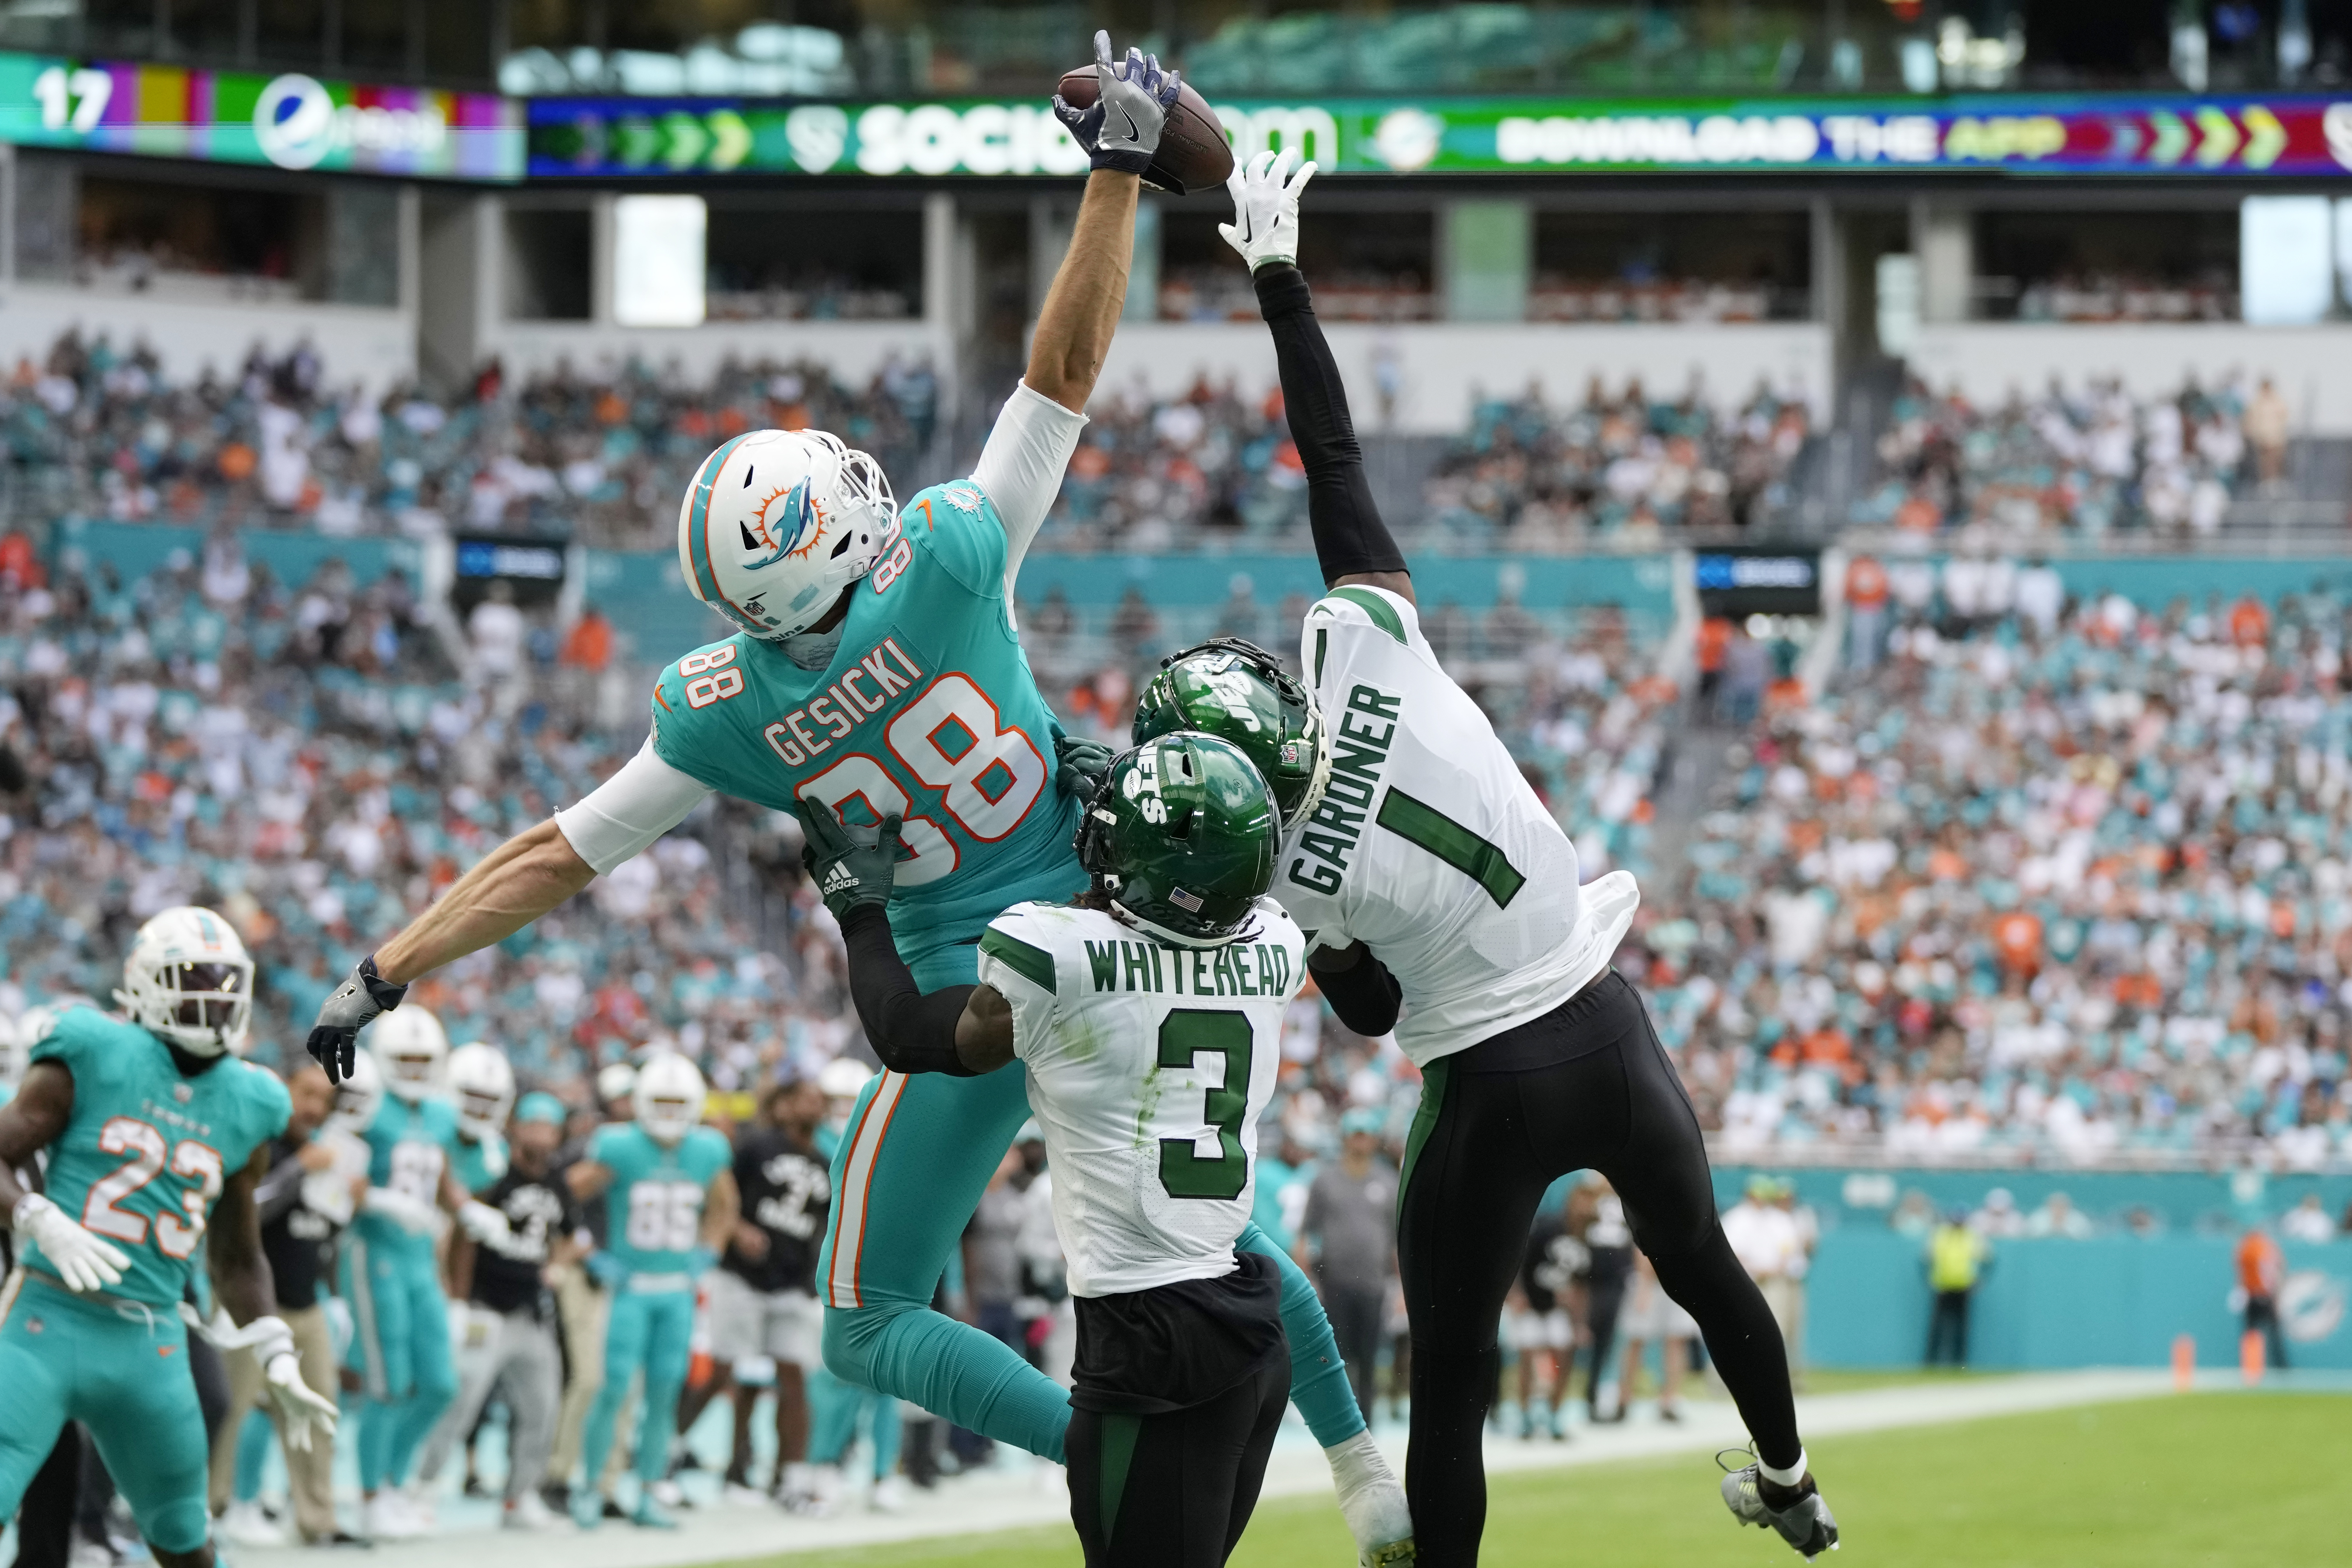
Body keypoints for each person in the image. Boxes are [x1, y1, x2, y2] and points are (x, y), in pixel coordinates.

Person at [299, 34, 1408, 1566]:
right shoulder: (947, 562)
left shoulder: (722, 712)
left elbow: (551, 857)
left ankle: (1102, 1442)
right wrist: (1116, 167)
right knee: (1202, 1235)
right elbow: (1063, 377)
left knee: (869, 1324)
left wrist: (383, 970)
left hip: (966, 1008)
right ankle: (1360, 1464)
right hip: (1109, 916)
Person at [1154, 148, 1834, 1565]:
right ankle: (1786, 1474)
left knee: (1451, 1385)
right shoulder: (1370, 649)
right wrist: (1279, 281)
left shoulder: (1278, 869)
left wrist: (1329, 915)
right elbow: (1331, 459)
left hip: (1483, 1077)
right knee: (1699, 1261)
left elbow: (1375, 1010)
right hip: (1603, 1017)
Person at [802, 730, 1306, 1568]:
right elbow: (1179, 914)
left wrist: (860, 909)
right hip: (1250, 1325)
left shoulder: (1051, 950)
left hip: (1150, 1337)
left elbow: (908, 1034)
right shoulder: (1276, 943)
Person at [0, 909, 340, 1568]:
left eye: (225, 982)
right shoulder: (92, 1050)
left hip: (148, 1340)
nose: (214, 998)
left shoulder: (252, 1100)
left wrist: (274, 1350)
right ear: (146, 983)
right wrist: (36, 1217)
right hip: (46, 1317)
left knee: (185, 1539)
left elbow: (238, 1253)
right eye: (193, 979)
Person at [340, 1009, 510, 1539]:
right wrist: (385, 1201)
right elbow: (341, 1169)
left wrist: (464, 1208)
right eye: (404, 1059)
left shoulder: (438, 1112)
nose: (414, 1069)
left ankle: (393, 1482)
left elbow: (440, 1173)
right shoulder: (370, 1104)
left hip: (419, 1259)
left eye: (423, 1060)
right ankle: (370, 1497)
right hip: (373, 1253)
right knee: (387, 1384)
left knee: (439, 1383)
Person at [564, 1052, 737, 1528]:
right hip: (631, 1288)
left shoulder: (707, 1149)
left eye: (676, 1101)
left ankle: (646, 1491)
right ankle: (591, 1486)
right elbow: (561, 1196)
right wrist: (589, 1251)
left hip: (677, 1289)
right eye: (658, 1100)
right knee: (613, 1387)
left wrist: (710, 1251)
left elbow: (725, 1207)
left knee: (664, 1393)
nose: (666, 1110)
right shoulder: (619, 1145)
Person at [213, 1061, 366, 1548]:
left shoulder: (325, 1153)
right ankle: (203, 1515)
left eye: (324, 1099)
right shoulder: (262, 1144)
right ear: (285, 1090)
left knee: (319, 1411)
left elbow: (322, 1233)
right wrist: (300, 1169)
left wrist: (335, 1294)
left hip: (305, 1304)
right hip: (251, 1307)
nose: (314, 1107)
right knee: (228, 1412)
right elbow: (248, 1209)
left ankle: (316, 1518)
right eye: (306, 1093)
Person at [414, 1091, 582, 1529]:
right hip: (486, 1306)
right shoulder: (494, 1173)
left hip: (530, 1309)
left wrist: (557, 1267)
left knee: (543, 1405)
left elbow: (572, 1236)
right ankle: (420, 1488)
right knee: (460, 1402)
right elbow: (464, 1236)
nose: (543, 1136)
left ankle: (519, 1496)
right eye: (535, 1126)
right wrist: (460, 1299)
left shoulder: (557, 1180)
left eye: (550, 1127)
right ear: (516, 1128)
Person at [702, 1074, 831, 1504]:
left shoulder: (826, 1160)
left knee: (792, 1377)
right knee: (732, 1372)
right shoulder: (756, 1146)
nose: (812, 1104)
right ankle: (721, 1464)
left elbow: (824, 1227)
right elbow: (720, 1197)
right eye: (802, 1097)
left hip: (791, 1281)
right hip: (741, 1275)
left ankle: (790, 1475)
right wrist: (737, 1229)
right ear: (781, 1105)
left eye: (818, 1098)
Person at [1296, 1107, 1397, 1427]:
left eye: (1365, 1135)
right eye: (1355, 1134)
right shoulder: (1326, 1179)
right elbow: (1306, 1231)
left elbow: (1396, 1238)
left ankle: (1367, 1421)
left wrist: (1402, 1287)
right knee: (1336, 1356)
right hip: (1336, 1280)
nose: (1360, 1141)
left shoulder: (1387, 1180)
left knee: (1369, 1356)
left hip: (1374, 1282)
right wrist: (1306, 1277)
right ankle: (1339, 1421)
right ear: (1345, 1137)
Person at [1617, 1247, 1698, 1422]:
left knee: (1676, 1340)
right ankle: (1624, 1400)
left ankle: (1669, 1401)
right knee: (1636, 1340)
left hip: (1679, 1280)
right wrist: (1644, 1284)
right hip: (1649, 1281)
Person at [1923, 1208, 1989, 1367]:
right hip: (1943, 1286)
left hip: (1964, 1287)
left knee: (1961, 1327)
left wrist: (1980, 1280)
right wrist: (1929, 1279)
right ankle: (1931, 1362)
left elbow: (1987, 1260)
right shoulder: (1941, 1235)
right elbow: (1927, 1259)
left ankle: (1959, 1363)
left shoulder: (1972, 1236)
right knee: (1938, 1327)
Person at [2237, 1224, 2288, 1372]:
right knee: (2271, 1333)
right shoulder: (2267, 1247)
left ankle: (2252, 1366)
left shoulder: (2248, 1248)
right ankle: (2279, 1366)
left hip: (2255, 1294)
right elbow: (2278, 1268)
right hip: (2264, 1295)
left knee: (2253, 1332)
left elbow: (2244, 1273)